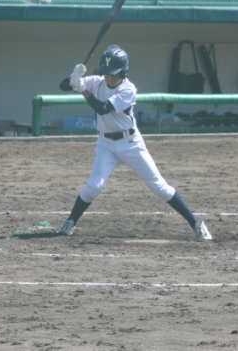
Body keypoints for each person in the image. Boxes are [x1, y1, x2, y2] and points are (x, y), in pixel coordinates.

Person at [56, 45, 212, 240]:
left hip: (130, 143)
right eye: (106, 73)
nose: (108, 78)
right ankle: (70, 221)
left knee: (158, 186)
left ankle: (197, 224)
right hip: (105, 145)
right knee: (95, 186)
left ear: (123, 72)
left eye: (113, 74)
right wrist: (74, 76)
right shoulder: (96, 82)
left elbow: (103, 108)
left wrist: (82, 89)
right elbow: (63, 86)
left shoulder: (128, 89)